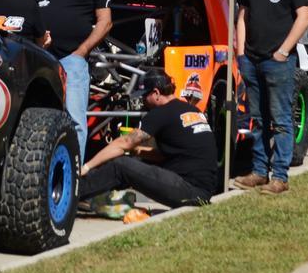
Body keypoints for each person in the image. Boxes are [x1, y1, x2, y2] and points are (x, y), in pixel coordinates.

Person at [19, 0, 112, 160]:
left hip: (73, 59)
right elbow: (21, 11)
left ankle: (75, 174)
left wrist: (82, 51)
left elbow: (106, 22)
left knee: (75, 119)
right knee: (34, 114)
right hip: (38, 57)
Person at [232, 0, 308, 195]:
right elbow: (243, 16)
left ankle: (280, 175)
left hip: (277, 62)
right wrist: (241, 53)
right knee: (257, 119)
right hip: (252, 60)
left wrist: (284, 50)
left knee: (280, 120)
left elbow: (304, 17)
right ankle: (259, 171)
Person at [78, 69, 218, 209]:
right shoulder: (191, 110)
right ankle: (99, 197)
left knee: (120, 165)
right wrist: (139, 152)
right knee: (135, 162)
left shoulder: (161, 113)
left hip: (189, 190)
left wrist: (87, 166)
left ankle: (74, 192)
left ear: (156, 93)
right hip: (203, 190)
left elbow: (125, 143)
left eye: (145, 95)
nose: (143, 100)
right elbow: (171, 156)